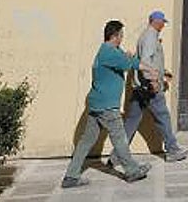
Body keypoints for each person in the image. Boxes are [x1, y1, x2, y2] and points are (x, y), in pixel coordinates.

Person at [62, 20, 150, 189]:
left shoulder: (106, 51)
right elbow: (132, 64)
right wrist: (153, 71)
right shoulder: (109, 52)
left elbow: (124, 59)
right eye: (121, 35)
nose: (122, 38)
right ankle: (132, 171)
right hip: (107, 105)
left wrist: (128, 57)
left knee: (86, 140)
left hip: (97, 103)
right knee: (120, 138)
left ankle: (71, 176)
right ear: (115, 36)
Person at [121, 10, 188, 162]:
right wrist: (153, 81)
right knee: (163, 117)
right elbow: (145, 61)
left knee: (131, 122)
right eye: (162, 23)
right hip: (149, 88)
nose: (163, 26)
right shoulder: (151, 37)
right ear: (156, 21)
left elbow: (149, 60)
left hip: (140, 87)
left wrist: (162, 71)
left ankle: (118, 154)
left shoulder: (146, 36)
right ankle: (172, 150)